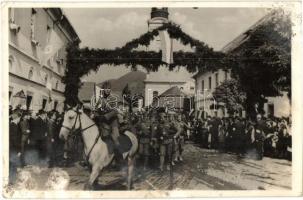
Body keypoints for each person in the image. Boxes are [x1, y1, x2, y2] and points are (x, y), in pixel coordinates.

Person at [9, 108, 22, 184]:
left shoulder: (12, 125)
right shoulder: (14, 126)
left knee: (12, 164)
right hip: (14, 149)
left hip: (12, 148)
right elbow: (15, 140)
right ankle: (12, 181)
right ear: (18, 117)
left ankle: (12, 180)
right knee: (13, 165)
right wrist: (18, 150)